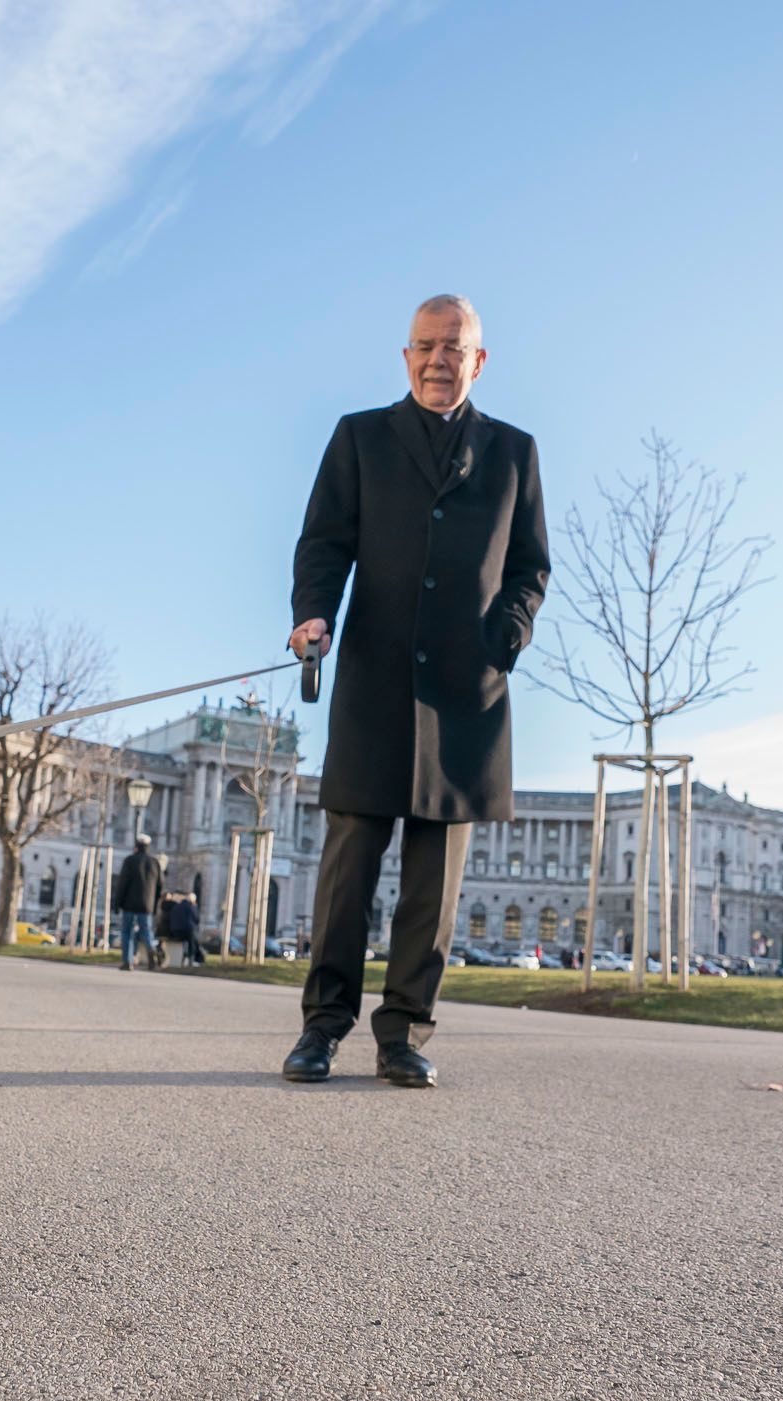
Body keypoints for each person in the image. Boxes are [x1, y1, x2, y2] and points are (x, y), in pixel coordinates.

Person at [282, 295, 549, 1087]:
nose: (439, 359)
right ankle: (322, 1028)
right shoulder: (359, 436)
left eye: (454, 347)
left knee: (433, 891)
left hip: (468, 696)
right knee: (346, 874)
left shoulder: (514, 451)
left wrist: (509, 631)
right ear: (406, 357)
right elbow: (324, 540)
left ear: (480, 359)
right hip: (373, 679)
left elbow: (531, 565)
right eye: (426, 345)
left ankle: (403, 1032)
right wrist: (312, 615)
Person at [111, 833, 162, 971]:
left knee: (127, 932)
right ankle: (151, 950)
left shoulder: (129, 861)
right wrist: (155, 905)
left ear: (136, 846)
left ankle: (128, 961)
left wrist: (117, 903)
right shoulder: (154, 862)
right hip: (147, 905)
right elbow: (159, 886)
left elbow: (122, 883)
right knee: (146, 931)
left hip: (129, 904)